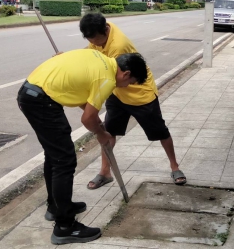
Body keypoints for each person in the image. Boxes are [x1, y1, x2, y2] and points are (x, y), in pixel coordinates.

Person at [17, 49, 149, 244]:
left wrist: (96, 120)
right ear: (126, 74)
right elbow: (87, 119)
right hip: (42, 101)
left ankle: (56, 207)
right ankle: (65, 227)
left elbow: (85, 102)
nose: (126, 86)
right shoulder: (108, 79)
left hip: (31, 92)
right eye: (129, 82)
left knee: (54, 156)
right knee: (64, 161)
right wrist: (101, 132)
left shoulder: (101, 60)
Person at [79, 13, 187, 189]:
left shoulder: (118, 45)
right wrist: (68, 57)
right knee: (109, 132)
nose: (96, 43)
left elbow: (103, 72)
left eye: (98, 40)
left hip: (139, 93)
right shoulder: (99, 30)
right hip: (117, 91)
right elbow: (91, 52)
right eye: (92, 40)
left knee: (160, 132)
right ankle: (105, 172)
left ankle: (174, 166)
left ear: (105, 30)